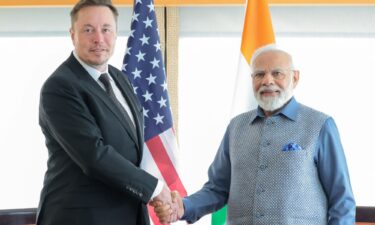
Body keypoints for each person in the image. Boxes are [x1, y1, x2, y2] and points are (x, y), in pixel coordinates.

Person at [153, 46, 356, 224]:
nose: (268, 81)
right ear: (252, 80)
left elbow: (342, 201)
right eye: (259, 74)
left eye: (277, 73)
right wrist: (184, 207)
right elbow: (217, 189)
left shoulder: (320, 125)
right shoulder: (236, 127)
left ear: (295, 78)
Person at [36, 0, 176, 224]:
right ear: (73, 35)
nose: (98, 39)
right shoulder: (60, 87)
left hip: (127, 214)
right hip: (81, 218)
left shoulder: (120, 79)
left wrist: (163, 191)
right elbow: (94, 155)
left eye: (106, 29)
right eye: (88, 30)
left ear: (116, 34)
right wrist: (154, 189)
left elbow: (133, 150)